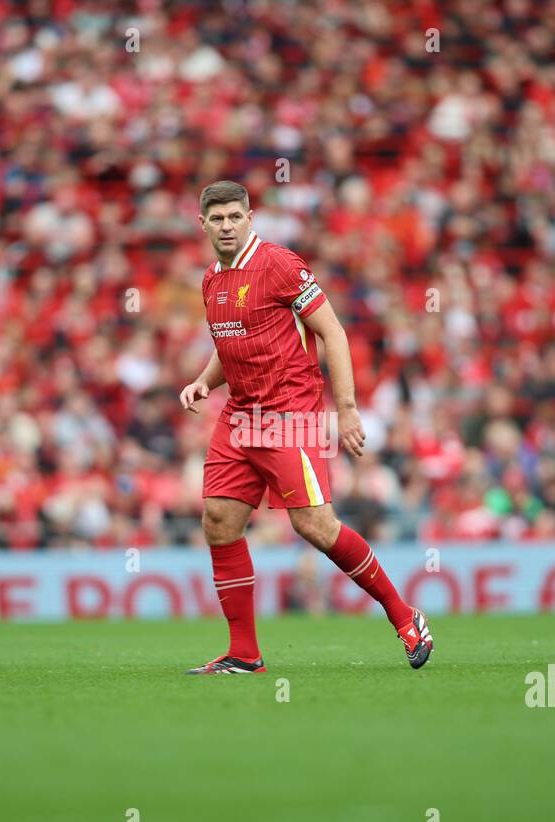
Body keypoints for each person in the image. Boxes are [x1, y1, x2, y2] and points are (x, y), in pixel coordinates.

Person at [179, 181, 432, 674]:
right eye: (218, 218)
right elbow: (230, 344)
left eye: (235, 216)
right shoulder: (211, 279)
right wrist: (204, 383)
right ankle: (244, 654)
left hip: (290, 414)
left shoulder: (279, 264)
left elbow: (332, 331)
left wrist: (348, 408)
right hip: (239, 417)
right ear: (203, 224)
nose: (227, 226)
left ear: (250, 217)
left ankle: (404, 616)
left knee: (314, 525)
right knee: (218, 522)